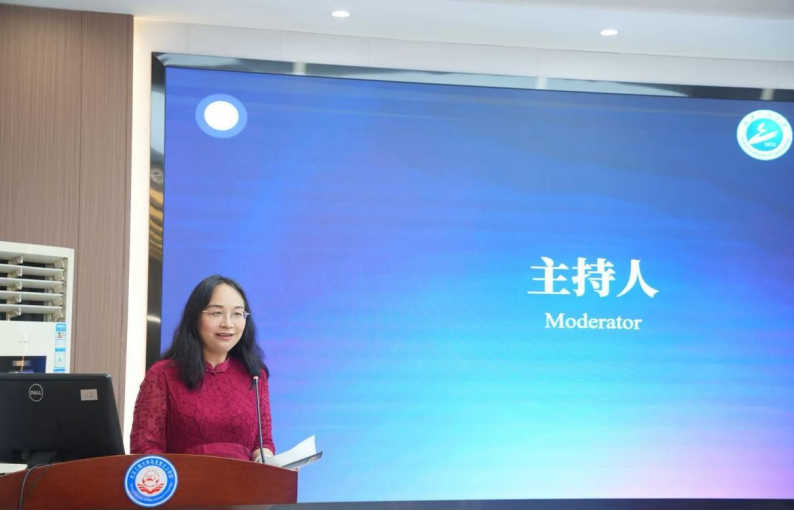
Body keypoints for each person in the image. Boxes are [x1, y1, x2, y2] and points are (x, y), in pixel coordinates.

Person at [130, 275, 275, 463]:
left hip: (244, 481)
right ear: (195, 317)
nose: (228, 323)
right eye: (216, 313)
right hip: (183, 480)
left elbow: (262, 443)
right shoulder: (162, 374)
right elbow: (144, 446)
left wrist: (267, 461)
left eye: (237, 314)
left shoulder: (254, 374)